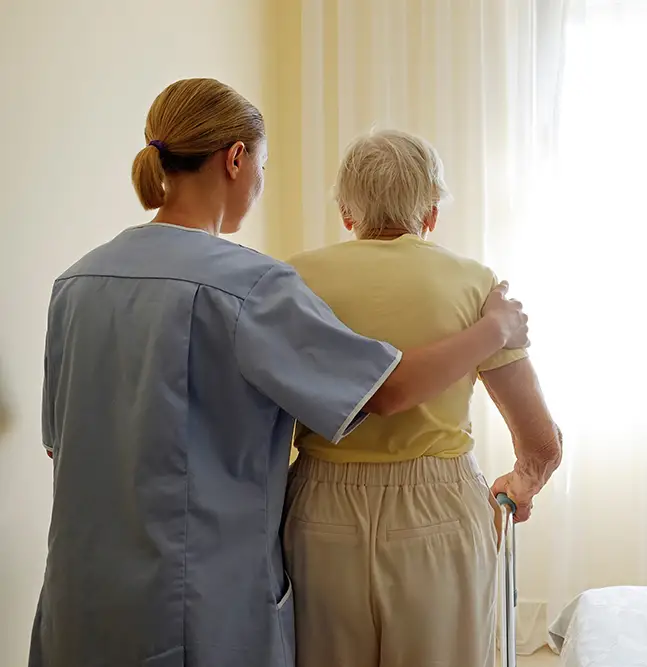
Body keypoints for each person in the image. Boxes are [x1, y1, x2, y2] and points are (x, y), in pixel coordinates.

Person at [29, 80, 530, 667]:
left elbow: (61, 446)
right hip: (198, 598)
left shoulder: (76, 283)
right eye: (262, 166)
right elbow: (385, 390)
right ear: (235, 159)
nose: (260, 182)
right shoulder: (250, 287)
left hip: (82, 598)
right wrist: (495, 328)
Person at [283, 130, 563, 667]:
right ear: (431, 212)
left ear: (346, 212)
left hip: (320, 513)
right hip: (440, 509)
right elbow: (540, 443)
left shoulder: (293, 280)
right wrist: (520, 484)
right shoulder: (477, 286)